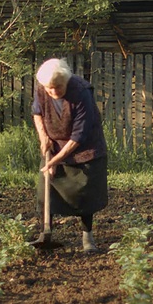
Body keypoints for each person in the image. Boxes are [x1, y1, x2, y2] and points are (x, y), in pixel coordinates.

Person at [31, 58, 108, 252]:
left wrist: (56, 161)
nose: (54, 92)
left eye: (58, 87)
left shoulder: (82, 92)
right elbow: (37, 111)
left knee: (84, 194)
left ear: (67, 81)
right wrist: (44, 138)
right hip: (54, 146)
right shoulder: (42, 88)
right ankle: (45, 232)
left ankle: (87, 237)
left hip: (84, 149)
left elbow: (79, 136)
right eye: (50, 88)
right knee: (45, 190)